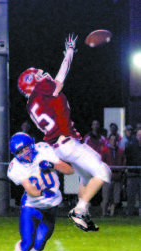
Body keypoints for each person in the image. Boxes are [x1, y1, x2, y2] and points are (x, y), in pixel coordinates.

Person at [17, 33, 111, 231]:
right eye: (38, 75)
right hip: (66, 144)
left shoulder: (32, 103)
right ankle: (79, 209)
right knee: (104, 172)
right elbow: (60, 78)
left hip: (61, 146)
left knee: (86, 176)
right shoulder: (41, 90)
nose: (43, 75)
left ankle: (82, 214)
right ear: (33, 82)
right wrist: (69, 52)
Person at [5, 132, 75, 251]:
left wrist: (52, 164)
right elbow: (31, 191)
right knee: (27, 243)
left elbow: (70, 170)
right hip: (31, 206)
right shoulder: (15, 167)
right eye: (19, 152)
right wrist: (43, 192)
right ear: (15, 154)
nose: (24, 153)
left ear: (31, 144)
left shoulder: (44, 150)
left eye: (25, 148)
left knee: (41, 242)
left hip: (51, 206)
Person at [101, 134, 126, 216]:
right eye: (112, 139)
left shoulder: (121, 151)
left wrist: (121, 171)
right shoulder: (105, 150)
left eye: (115, 140)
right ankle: (104, 213)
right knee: (106, 197)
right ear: (109, 140)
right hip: (107, 178)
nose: (113, 141)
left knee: (116, 198)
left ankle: (112, 214)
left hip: (117, 177)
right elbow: (102, 162)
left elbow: (124, 162)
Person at [125, 129, 141, 216]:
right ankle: (129, 213)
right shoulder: (130, 147)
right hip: (132, 175)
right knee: (131, 196)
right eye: (139, 135)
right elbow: (127, 159)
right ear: (136, 136)